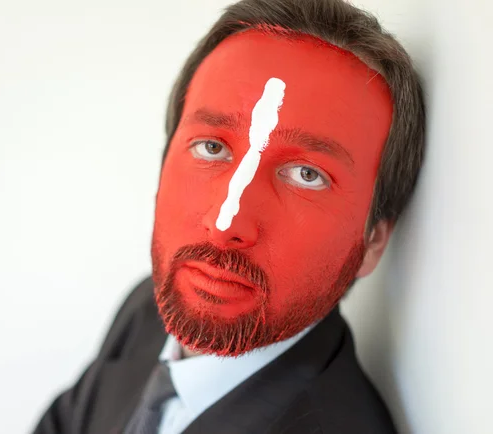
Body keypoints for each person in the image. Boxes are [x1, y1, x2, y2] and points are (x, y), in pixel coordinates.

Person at [33, 0, 425, 432]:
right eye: (212, 148)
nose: (225, 223)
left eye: (306, 175)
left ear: (372, 242)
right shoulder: (147, 310)